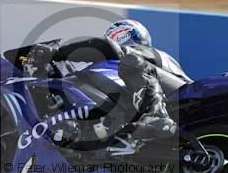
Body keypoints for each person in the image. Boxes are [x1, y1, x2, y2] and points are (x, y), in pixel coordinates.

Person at [25, 19, 189, 142]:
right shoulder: (164, 62)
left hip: (173, 104)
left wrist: (57, 52)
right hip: (176, 104)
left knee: (130, 61)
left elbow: (104, 46)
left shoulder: (136, 54)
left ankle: (156, 114)